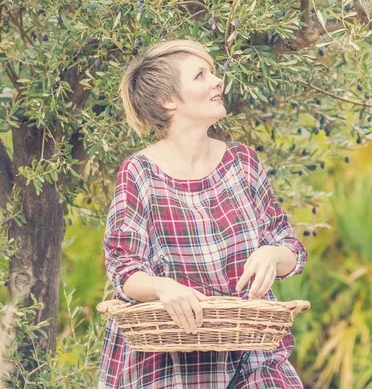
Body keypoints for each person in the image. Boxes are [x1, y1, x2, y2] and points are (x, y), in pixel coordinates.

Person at [98, 39, 308, 388]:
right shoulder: (140, 172)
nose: (217, 81)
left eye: (212, 72)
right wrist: (164, 288)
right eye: (201, 75)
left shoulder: (244, 162)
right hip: (170, 359)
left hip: (251, 350)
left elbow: (291, 250)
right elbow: (124, 271)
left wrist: (272, 254)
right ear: (168, 100)